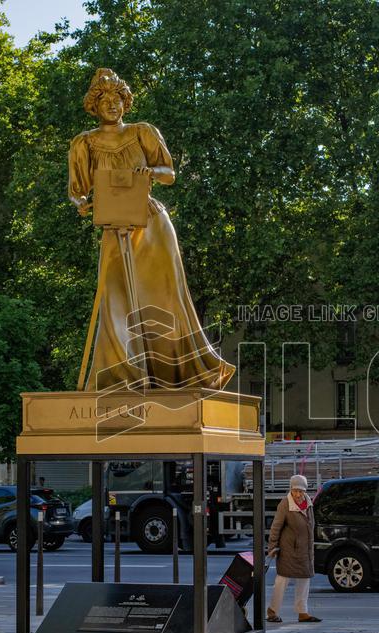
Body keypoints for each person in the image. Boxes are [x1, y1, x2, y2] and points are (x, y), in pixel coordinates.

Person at [68, 68, 235, 391]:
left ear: (125, 103)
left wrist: (151, 171)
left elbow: (169, 173)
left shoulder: (143, 132)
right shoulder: (84, 144)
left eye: (118, 100)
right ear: (95, 106)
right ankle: (123, 377)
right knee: (114, 301)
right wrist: (82, 204)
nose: (113, 106)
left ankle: (177, 373)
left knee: (165, 298)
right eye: (106, 102)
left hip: (151, 224)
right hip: (113, 226)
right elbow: (76, 191)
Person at [266, 474, 321, 623]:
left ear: (305, 491)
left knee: (304, 580)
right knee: (282, 580)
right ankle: (272, 611)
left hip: (304, 549)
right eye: (295, 490)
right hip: (288, 550)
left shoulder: (308, 503)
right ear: (291, 489)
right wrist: (272, 546)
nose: (298, 494)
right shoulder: (285, 504)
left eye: (301, 491)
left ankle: (303, 612)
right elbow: (276, 527)